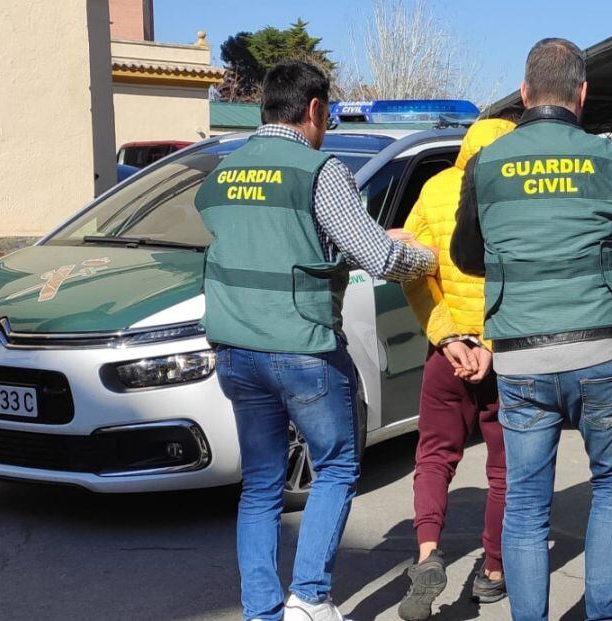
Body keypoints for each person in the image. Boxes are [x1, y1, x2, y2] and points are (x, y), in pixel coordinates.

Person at [194, 60, 437, 621]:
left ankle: (262, 611)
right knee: (336, 466)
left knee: (260, 485)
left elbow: (244, 235)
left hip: (235, 350)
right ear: (315, 110)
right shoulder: (317, 170)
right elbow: (375, 255)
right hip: (302, 349)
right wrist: (425, 256)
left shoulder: (223, 172)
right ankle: (310, 599)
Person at [451, 38, 612, 621]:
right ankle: (604, 613)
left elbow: (465, 254)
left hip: (522, 358)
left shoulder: (486, 163)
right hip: (601, 349)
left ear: (526, 94)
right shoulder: (608, 156)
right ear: (582, 94)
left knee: (527, 506)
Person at [395, 117, 517, 620]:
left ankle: (427, 553)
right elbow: (522, 275)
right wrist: (488, 343)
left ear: (465, 147)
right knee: (504, 470)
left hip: (446, 355)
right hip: (504, 353)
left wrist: (446, 336)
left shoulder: (436, 188)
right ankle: (491, 571)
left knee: (434, 457)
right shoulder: (516, 194)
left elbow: (414, 268)